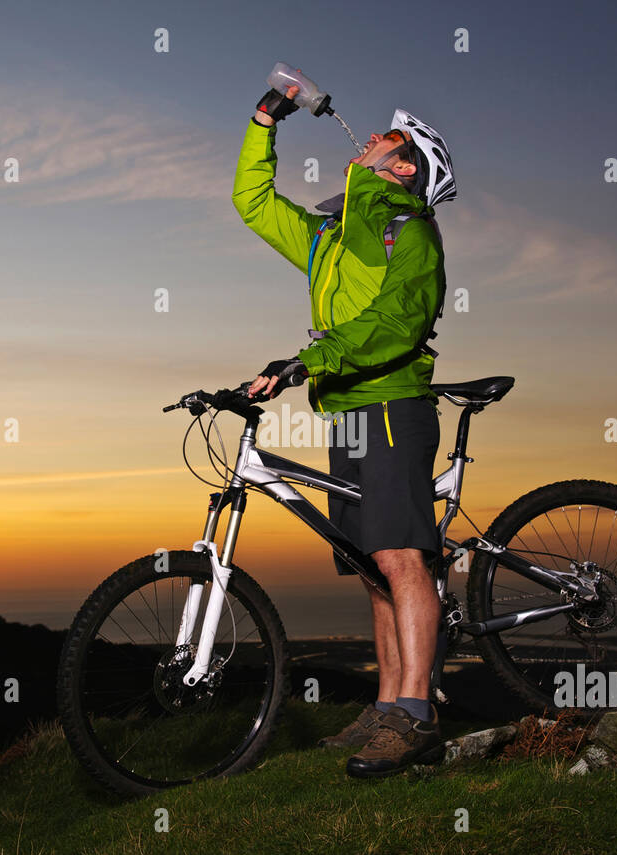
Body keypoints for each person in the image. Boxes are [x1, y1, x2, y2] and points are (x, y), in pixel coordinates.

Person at [232, 83, 457, 777]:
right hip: (346, 413)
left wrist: (308, 360)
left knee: (401, 558)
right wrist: (266, 117)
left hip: (391, 403)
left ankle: (415, 715)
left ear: (406, 165)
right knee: (372, 568)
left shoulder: (408, 230)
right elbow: (256, 203)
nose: (370, 139)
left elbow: (397, 324)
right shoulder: (332, 235)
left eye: (388, 139)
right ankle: (388, 703)